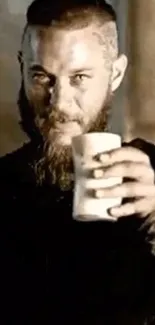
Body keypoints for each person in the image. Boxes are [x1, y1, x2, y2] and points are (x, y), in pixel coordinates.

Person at [1, 0, 155, 324]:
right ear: (22, 68)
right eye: (41, 76)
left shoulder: (152, 176)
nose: (59, 102)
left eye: (80, 77)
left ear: (115, 74)